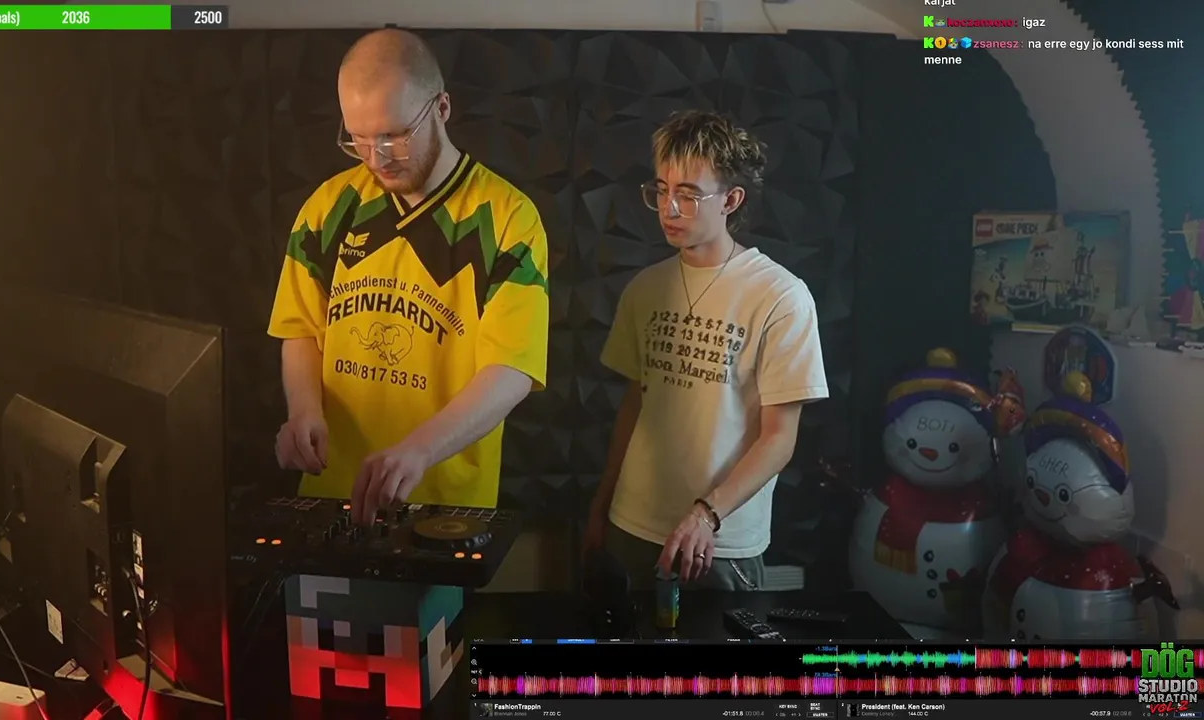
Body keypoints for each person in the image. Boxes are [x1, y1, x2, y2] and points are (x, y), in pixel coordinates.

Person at [268, 29, 549, 523]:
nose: (376, 158)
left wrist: (419, 450)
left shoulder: (508, 219)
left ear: (442, 108)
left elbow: (512, 371)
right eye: (358, 139)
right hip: (332, 494)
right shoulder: (328, 207)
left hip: (445, 507)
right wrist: (304, 409)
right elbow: (301, 328)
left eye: (393, 136)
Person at [584, 110, 829, 590]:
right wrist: (601, 504)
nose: (669, 209)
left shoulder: (781, 296)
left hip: (718, 543)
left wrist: (707, 513)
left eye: (689, 195)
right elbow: (635, 405)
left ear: (731, 200)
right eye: (661, 190)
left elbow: (780, 439)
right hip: (630, 525)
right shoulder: (644, 288)